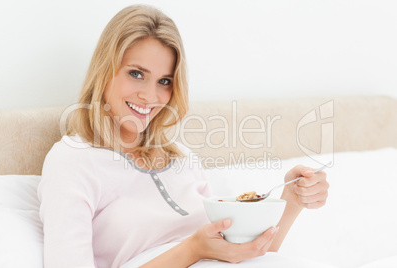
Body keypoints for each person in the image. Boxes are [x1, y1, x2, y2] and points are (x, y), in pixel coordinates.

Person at [37, 4, 329, 268]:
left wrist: (290, 200)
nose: (150, 96)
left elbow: (241, 255)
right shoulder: (72, 160)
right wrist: (192, 250)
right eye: (136, 73)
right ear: (104, 70)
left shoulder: (182, 157)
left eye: (164, 81)